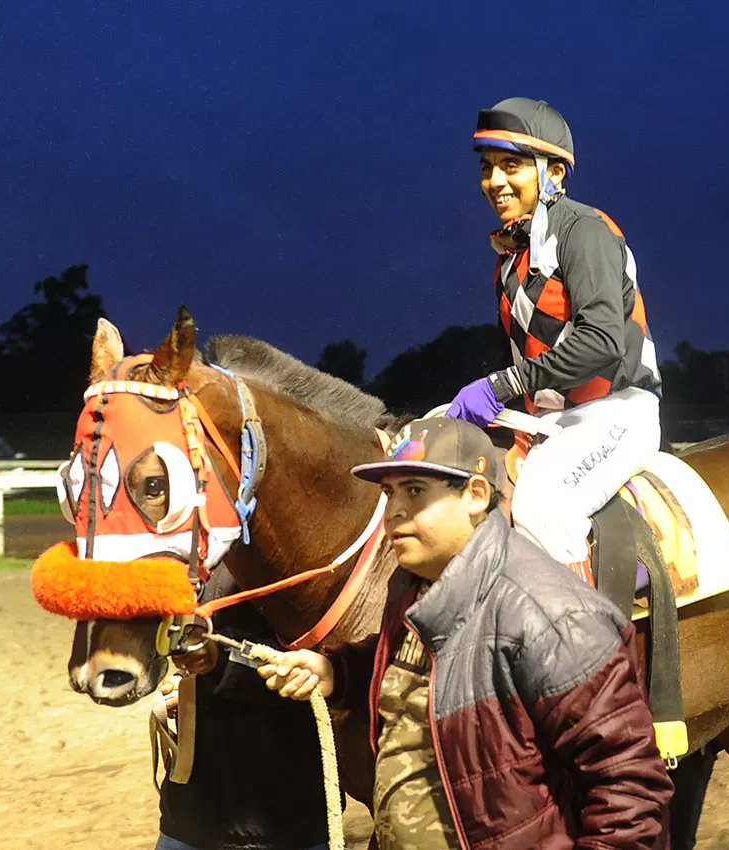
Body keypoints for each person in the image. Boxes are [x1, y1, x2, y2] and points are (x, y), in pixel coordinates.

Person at [258, 416, 673, 850]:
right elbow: (425, 664)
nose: (394, 510)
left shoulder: (552, 615)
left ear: (475, 496)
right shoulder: (415, 585)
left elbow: (631, 791)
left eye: (415, 490)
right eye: (389, 492)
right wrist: (337, 670)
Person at [444, 96, 663, 573]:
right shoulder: (510, 258)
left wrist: (501, 385)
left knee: (540, 510)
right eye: (487, 168)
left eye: (512, 166)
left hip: (617, 412)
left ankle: (588, 643)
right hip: (552, 424)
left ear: (555, 174)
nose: (494, 181)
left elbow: (602, 342)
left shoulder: (585, 231)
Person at [155, 567, 333, 850]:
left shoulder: (304, 557)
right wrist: (191, 683)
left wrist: (220, 661)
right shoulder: (195, 558)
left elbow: (322, 669)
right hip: (191, 814)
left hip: (287, 817)